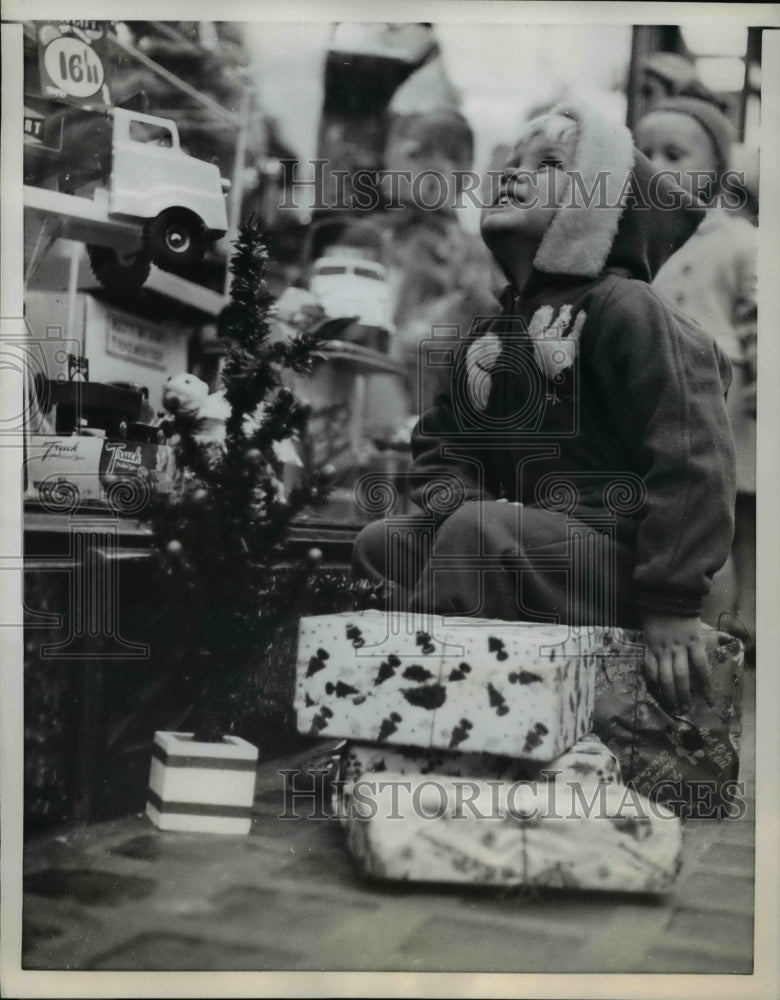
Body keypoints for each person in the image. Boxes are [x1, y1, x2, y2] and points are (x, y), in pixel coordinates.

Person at [352, 101, 736, 715]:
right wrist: (463, 504)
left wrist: (671, 600)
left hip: (619, 565)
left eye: (550, 163)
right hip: (529, 548)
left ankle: (440, 710)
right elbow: (440, 450)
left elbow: (695, 454)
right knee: (384, 542)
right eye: (511, 161)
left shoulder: (627, 309)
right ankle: (396, 694)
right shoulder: (491, 335)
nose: (512, 172)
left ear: (598, 203)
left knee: (479, 535)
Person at [635, 97, 757, 656]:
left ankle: (747, 623)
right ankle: (696, 625)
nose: (655, 164)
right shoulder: (640, 244)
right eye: (645, 152)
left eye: (674, 154)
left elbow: (760, 314)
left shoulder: (737, 242)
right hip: (665, 407)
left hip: (732, 410)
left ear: (715, 173)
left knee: (737, 522)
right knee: (683, 517)